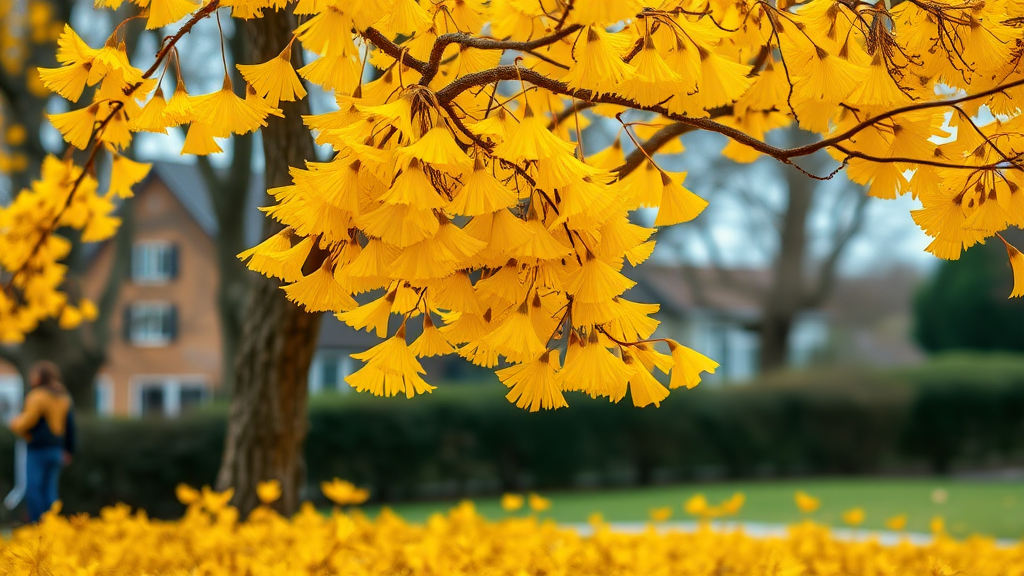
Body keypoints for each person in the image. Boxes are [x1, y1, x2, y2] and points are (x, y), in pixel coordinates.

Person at [9, 361, 75, 522]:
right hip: (56, 450)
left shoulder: (37, 396)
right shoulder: (64, 396)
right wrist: (69, 450)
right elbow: (70, 425)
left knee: (33, 488)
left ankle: (37, 523)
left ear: (40, 377)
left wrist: (15, 424)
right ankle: (51, 524)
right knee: (50, 490)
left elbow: (28, 420)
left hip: (37, 449)